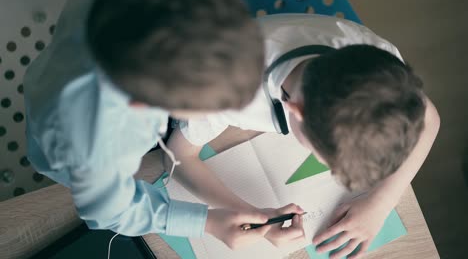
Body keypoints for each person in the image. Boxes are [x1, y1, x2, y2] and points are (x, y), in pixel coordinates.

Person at [23, 0, 291, 249]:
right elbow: (110, 210)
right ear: (145, 106)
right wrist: (208, 223)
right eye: (199, 109)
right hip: (64, 148)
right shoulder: (95, 148)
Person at [167, 14, 440, 258]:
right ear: (294, 111)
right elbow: (177, 156)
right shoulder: (223, 90)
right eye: (321, 157)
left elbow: (430, 118)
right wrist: (249, 214)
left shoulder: (385, 68)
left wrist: (381, 202)